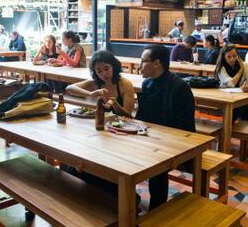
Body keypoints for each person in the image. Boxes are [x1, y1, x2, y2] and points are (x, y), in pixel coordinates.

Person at [136, 45, 195, 210]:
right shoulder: (147, 84)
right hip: (153, 138)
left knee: (156, 164)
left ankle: (157, 210)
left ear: (157, 63)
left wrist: (158, 139)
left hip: (178, 143)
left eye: (143, 61)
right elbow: (142, 117)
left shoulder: (179, 88)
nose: (139, 65)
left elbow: (186, 128)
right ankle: (125, 199)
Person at [66, 50, 135, 117]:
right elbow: (69, 88)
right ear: (95, 72)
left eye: (106, 69)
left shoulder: (125, 84)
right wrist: (90, 94)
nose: (104, 74)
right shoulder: (96, 83)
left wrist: (114, 103)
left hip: (122, 126)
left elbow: (128, 116)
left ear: (113, 66)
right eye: (99, 71)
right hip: (103, 123)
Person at [215, 44, 248, 121]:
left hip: (238, 97)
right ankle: (228, 130)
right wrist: (240, 71)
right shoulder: (221, 67)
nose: (232, 59)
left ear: (238, 55)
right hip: (223, 97)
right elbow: (231, 84)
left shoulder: (244, 65)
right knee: (232, 110)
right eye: (229, 57)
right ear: (224, 57)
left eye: (234, 56)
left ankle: (242, 131)